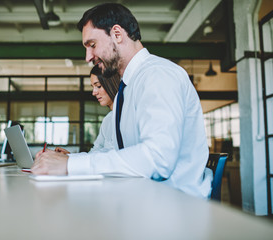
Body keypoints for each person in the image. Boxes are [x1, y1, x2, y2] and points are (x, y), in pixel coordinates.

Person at [32, 3, 212, 198]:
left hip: (175, 207)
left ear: (117, 34)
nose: (88, 57)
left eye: (92, 45)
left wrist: (70, 165)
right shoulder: (124, 92)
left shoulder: (158, 75)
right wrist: (67, 160)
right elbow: (116, 154)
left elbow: (159, 159)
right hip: (144, 199)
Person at [56, 65, 120, 155]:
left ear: (112, 84)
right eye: (93, 87)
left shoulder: (126, 118)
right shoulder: (108, 119)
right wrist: (70, 157)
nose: (94, 92)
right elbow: (95, 152)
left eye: (98, 86)